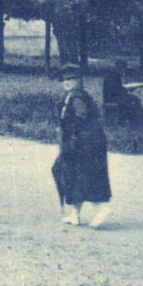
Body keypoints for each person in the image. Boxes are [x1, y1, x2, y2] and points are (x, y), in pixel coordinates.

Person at [52, 64, 111, 228]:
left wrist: (67, 130)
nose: (67, 82)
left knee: (84, 177)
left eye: (72, 78)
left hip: (84, 144)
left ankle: (102, 209)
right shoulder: (72, 96)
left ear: (79, 80)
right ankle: (75, 214)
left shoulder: (77, 97)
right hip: (79, 142)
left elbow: (82, 118)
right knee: (68, 173)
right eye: (64, 79)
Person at [102, 61, 143, 130]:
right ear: (121, 68)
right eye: (123, 69)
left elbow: (117, 88)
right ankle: (134, 122)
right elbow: (114, 90)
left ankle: (135, 121)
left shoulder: (113, 74)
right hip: (111, 98)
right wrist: (127, 90)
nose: (124, 71)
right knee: (133, 101)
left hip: (112, 97)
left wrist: (126, 90)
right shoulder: (114, 76)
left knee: (134, 99)